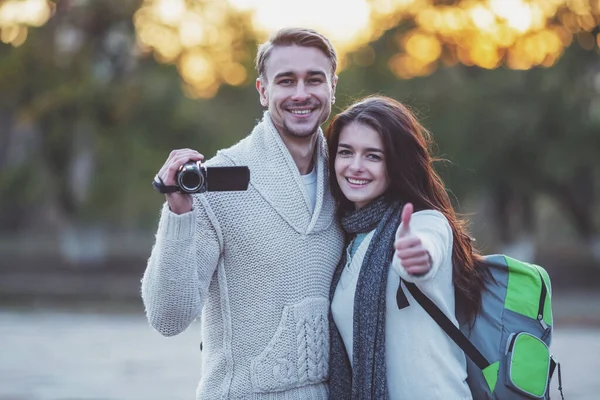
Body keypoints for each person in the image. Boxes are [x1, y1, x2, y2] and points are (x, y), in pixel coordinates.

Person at [141, 28, 345, 399]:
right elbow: (167, 318)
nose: (301, 93)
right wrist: (178, 213)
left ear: (332, 85)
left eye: (314, 79)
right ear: (263, 91)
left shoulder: (347, 180)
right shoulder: (216, 183)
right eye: (286, 81)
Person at [325, 96, 489, 399]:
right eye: (346, 152)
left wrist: (417, 256)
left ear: (396, 163)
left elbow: (426, 250)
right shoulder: (346, 240)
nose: (355, 166)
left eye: (373, 156)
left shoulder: (425, 222)